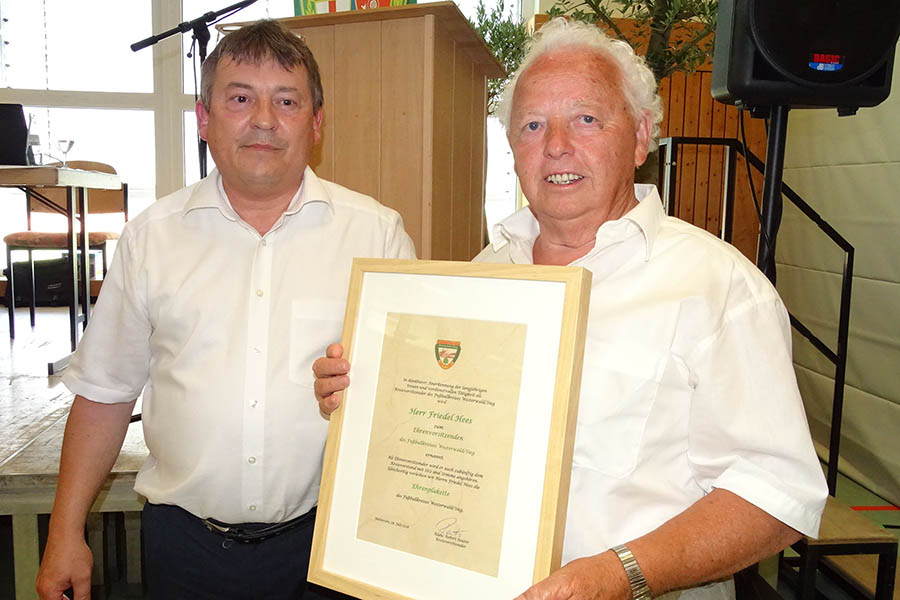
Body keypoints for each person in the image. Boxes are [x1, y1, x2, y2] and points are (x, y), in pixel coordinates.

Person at [312, 18, 827, 600]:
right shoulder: (479, 275)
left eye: (585, 119)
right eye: (533, 125)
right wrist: (362, 395)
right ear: (513, 150)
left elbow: (777, 495)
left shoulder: (720, 287)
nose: (556, 144)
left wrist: (619, 575)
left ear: (640, 136)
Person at [36, 19, 415, 600]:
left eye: (286, 101)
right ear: (205, 118)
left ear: (315, 124)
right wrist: (65, 532)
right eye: (241, 98)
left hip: (331, 549)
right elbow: (104, 395)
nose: (264, 119)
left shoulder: (377, 235)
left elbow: (409, 405)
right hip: (184, 549)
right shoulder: (151, 240)